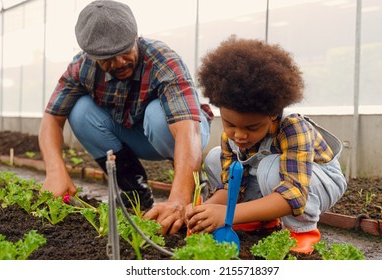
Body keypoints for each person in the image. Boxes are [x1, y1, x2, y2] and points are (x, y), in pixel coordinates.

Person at [39, 0, 212, 235]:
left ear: (136, 37)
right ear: (91, 55)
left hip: (183, 132)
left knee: (156, 115)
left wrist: (179, 199)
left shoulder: (162, 59)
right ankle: (135, 192)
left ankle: (191, 189)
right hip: (136, 134)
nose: (119, 63)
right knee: (79, 111)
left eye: (124, 52)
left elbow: (187, 129)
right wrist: (55, 170)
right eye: (107, 58)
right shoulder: (81, 68)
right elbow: (51, 120)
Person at [185, 36, 347, 253]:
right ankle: (260, 220)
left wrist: (227, 215)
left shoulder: (292, 128)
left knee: (271, 166)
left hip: (316, 182)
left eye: (252, 127)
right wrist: (206, 209)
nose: (239, 135)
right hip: (271, 178)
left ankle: (302, 231)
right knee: (215, 157)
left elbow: (294, 194)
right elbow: (232, 186)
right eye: (230, 124)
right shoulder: (232, 137)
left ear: (272, 114)